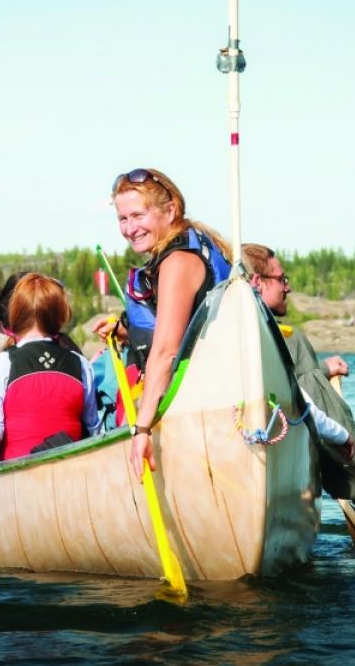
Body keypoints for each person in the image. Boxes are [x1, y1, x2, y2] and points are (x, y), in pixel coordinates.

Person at [93, 168, 231, 480]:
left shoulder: (178, 260)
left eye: (138, 216)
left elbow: (167, 352)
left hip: (197, 406)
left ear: (170, 211)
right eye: (122, 219)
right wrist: (126, 333)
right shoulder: (192, 246)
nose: (129, 229)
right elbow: (179, 328)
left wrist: (141, 429)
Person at [241, 242, 355, 514]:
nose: (287, 287)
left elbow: (287, 378)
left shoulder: (221, 330)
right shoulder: (289, 338)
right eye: (281, 279)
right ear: (258, 282)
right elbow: (311, 403)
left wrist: (320, 370)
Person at [0, 273, 100, 461]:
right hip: (70, 472)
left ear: (13, 315)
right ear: (60, 315)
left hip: (17, 480)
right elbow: (93, 432)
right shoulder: (81, 364)